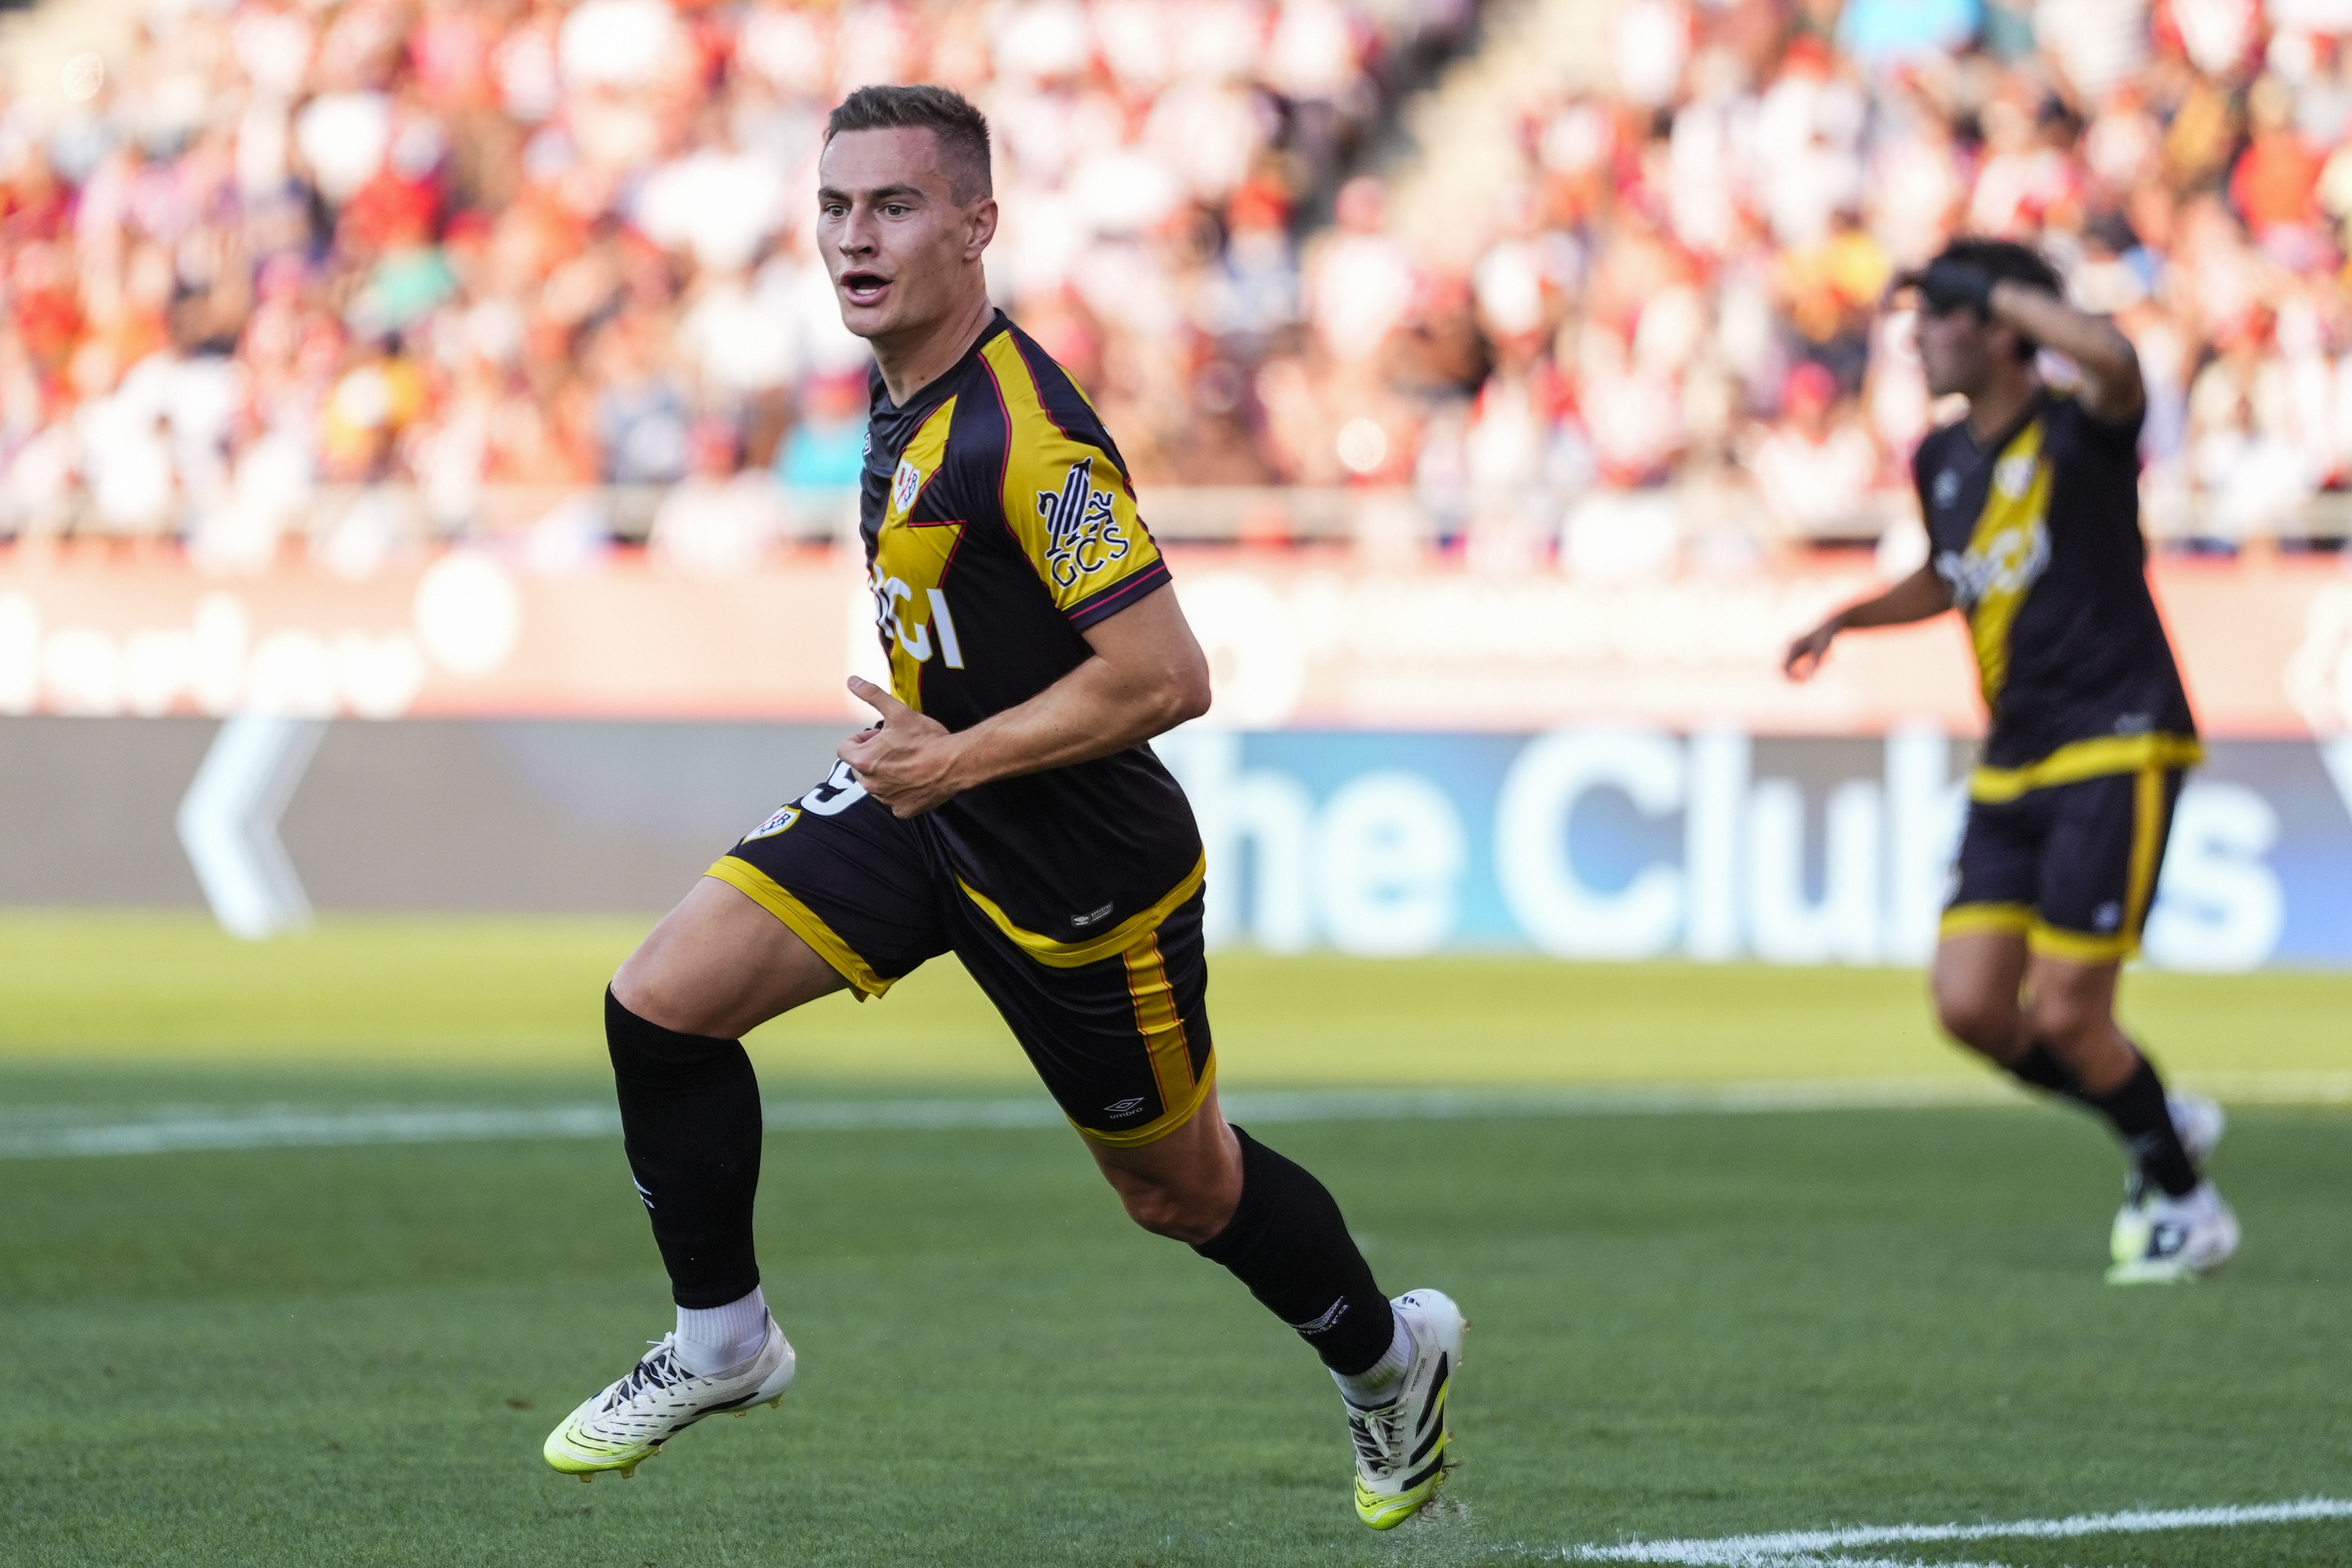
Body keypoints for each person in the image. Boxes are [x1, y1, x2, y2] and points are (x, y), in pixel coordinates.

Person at [541, 85, 1462, 1529]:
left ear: (976, 227)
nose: (854, 237)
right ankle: (723, 1341)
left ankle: (1389, 1358)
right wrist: (936, 767)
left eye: (893, 206)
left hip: (1074, 862)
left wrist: (959, 761)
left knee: (1180, 1191)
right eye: (835, 206)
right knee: (659, 1006)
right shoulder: (895, 379)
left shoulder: (1024, 437)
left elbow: (1167, 676)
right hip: (923, 798)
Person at [1784, 238, 2238, 1284]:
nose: (1915, 341)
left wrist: (1995, 289)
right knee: (1970, 1008)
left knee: (2072, 1012)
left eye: (1936, 318)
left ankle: (2186, 1203)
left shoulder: (2081, 428)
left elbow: (2115, 359)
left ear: (1998, 329)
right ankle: (2153, 1116)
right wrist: (1849, 617)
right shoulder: (1939, 457)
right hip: (2014, 754)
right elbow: (1951, 575)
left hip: (2115, 736)